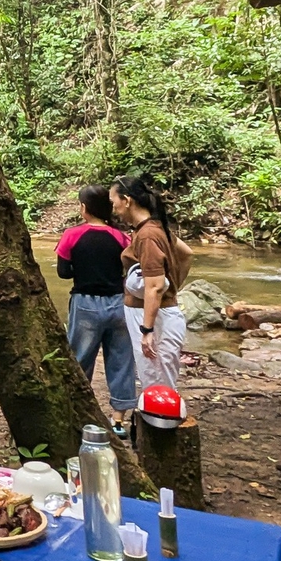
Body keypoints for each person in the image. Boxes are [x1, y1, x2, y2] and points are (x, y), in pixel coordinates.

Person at [55, 185, 136, 427]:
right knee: (121, 360)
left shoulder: (72, 235)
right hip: (118, 303)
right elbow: (131, 269)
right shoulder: (122, 237)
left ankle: (78, 412)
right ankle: (119, 420)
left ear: (84, 208)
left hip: (85, 303)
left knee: (79, 360)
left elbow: (62, 272)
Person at [111, 173, 191, 393]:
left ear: (127, 201)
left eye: (114, 202)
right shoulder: (156, 228)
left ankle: (160, 426)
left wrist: (147, 330)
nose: (114, 208)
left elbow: (154, 286)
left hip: (156, 320)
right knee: (158, 380)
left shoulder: (146, 236)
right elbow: (186, 254)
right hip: (161, 314)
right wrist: (173, 288)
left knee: (156, 382)